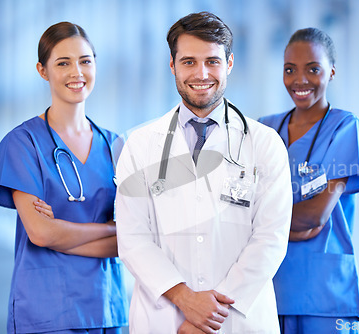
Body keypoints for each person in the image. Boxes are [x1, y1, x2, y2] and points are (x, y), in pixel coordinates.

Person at [115, 11, 292, 334]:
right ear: (172, 65)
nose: (201, 73)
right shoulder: (140, 145)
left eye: (212, 61)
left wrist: (209, 316)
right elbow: (132, 238)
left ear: (230, 64)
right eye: (188, 62)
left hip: (239, 321)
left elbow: (271, 239)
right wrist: (185, 300)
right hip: (165, 320)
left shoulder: (264, 144)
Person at [0, 22, 128, 334]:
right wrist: (108, 228)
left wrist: (61, 233)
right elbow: (40, 233)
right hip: (45, 309)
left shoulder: (115, 145)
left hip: (106, 306)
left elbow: (130, 240)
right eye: (63, 63)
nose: (76, 72)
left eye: (85, 61)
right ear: (43, 70)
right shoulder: (23, 143)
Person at [258, 28, 359, 333]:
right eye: (290, 70)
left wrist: (265, 226)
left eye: (313, 69)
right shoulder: (265, 130)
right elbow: (240, 211)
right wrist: (289, 225)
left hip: (324, 292)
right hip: (268, 287)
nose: (299, 80)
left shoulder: (345, 127)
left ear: (331, 72)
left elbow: (318, 214)